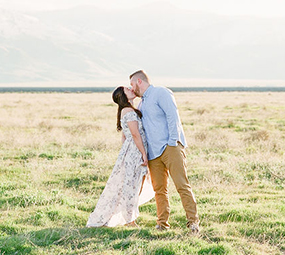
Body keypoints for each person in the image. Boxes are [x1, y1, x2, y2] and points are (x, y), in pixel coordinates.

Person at [130, 70, 200, 233]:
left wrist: (172, 142)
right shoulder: (141, 103)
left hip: (170, 147)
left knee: (182, 185)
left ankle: (193, 222)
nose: (132, 89)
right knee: (159, 190)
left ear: (139, 82)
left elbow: (172, 116)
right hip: (153, 153)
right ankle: (162, 224)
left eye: (132, 85)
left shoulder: (161, 92)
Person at [86, 86, 154, 227]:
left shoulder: (126, 110)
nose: (131, 89)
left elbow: (124, 137)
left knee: (132, 185)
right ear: (123, 95)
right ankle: (130, 221)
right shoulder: (128, 111)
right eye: (127, 89)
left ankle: (128, 218)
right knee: (132, 186)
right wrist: (142, 153)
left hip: (130, 151)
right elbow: (135, 135)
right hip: (135, 152)